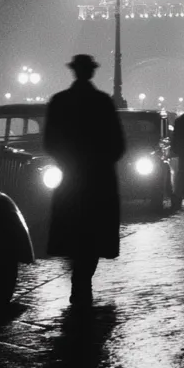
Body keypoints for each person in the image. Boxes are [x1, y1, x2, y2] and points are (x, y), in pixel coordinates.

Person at [44, 53, 125, 307]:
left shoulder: (59, 101)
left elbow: (49, 142)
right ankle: (83, 280)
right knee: (94, 233)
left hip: (71, 177)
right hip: (98, 178)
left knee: (72, 230)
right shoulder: (102, 102)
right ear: (91, 73)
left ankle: (79, 281)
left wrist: (67, 161)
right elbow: (118, 143)